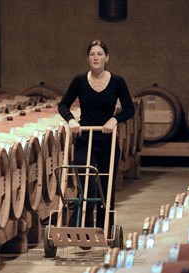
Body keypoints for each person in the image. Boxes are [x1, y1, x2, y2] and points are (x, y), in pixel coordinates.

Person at [58, 39, 135, 233]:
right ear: (87, 58)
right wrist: (71, 120)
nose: (96, 57)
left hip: (107, 140)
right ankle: (84, 225)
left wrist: (114, 120)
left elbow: (129, 108)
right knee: (87, 180)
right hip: (85, 139)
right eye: (92, 54)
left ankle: (104, 229)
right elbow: (63, 104)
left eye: (100, 54)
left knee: (105, 186)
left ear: (107, 57)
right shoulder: (79, 80)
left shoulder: (117, 81)